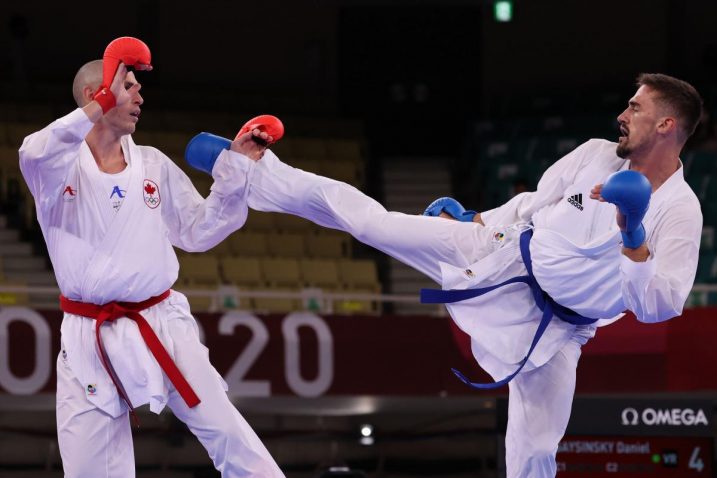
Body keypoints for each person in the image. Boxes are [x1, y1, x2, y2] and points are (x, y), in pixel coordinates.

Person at [186, 73, 703, 477]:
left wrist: (633, 233)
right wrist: (472, 219)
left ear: (666, 125)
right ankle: (249, 170)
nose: (622, 113)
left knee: (536, 449)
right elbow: (532, 204)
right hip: (501, 253)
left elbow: (662, 304)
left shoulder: (678, 211)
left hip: (560, 330)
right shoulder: (596, 154)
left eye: (635, 106)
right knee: (371, 221)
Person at [19, 57, 285, 477]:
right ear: (96, 94)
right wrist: (97, 106)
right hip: (90, 336)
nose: (140, 94)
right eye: (128, 86)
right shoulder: (56, 169)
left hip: (161, 322)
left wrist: (234, 166)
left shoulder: (153, 165)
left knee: (229, 433)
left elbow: (198, 230)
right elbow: (34, 150)